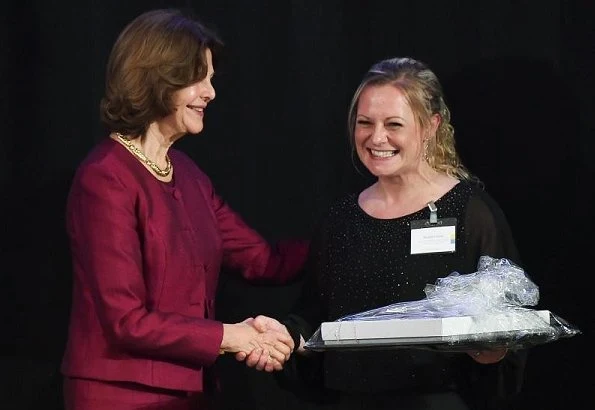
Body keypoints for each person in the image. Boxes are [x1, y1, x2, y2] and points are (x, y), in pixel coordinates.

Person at [240, 57, 527, 410]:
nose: (376, 138)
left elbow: (507, 330)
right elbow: (315, 315)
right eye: (365, 123)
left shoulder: (471, 212)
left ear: (430, 126)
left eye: (394, 124)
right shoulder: (342, 218)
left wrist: (491, 350)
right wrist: (282, 336)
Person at [61, 8, 308, 410]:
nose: (210, 92)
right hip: (120, 395)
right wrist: (232, 336)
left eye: (210, 78)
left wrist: (354, 231)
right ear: (158, 79)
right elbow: (126, 321)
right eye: (198, 78)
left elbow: (264, 261)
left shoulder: (189, 175)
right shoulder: (104, 178)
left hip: (191, 392)